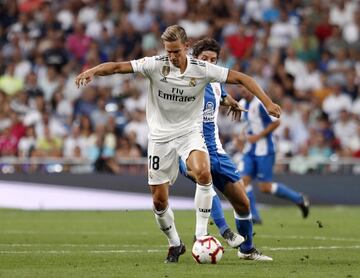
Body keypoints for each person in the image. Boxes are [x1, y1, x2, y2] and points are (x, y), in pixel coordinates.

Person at [75, 25, 281, 263]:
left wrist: (267, 102)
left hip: (189, 134)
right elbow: (119, 67)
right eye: (168, 51)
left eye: (176, 51)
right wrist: (93, 71)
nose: (172, 56)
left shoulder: (203, 70)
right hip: (160, 139)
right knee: (159, 201)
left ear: (186, 47)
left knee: (204, 173)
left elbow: (243, 79)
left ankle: (202, 235)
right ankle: (175, 243)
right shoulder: (155, 64)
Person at [179, 38, 273, 261]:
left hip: (216, 150)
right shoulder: (183, 79)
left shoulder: (214, 80)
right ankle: (225, 232)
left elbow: (220, 94)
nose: (209, 63)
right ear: (194, 58)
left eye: (213, 60)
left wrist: (230, 101)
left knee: (242, 202)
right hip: (189, 148)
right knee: (205, 181)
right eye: (205, 59)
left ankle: (247, 250)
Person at [238, 86, 309, 224]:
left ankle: (298, 199)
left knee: (265, 187)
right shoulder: (241, 104)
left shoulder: (260, 104)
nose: (243, 90)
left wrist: (258, 136)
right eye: (241, 88)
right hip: (250, 149)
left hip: (265, 149)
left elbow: (277, 122)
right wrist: (241, 136)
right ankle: (254, 215)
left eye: (246, 88)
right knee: (243, 180)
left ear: (252, 89)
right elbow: (248, 124)